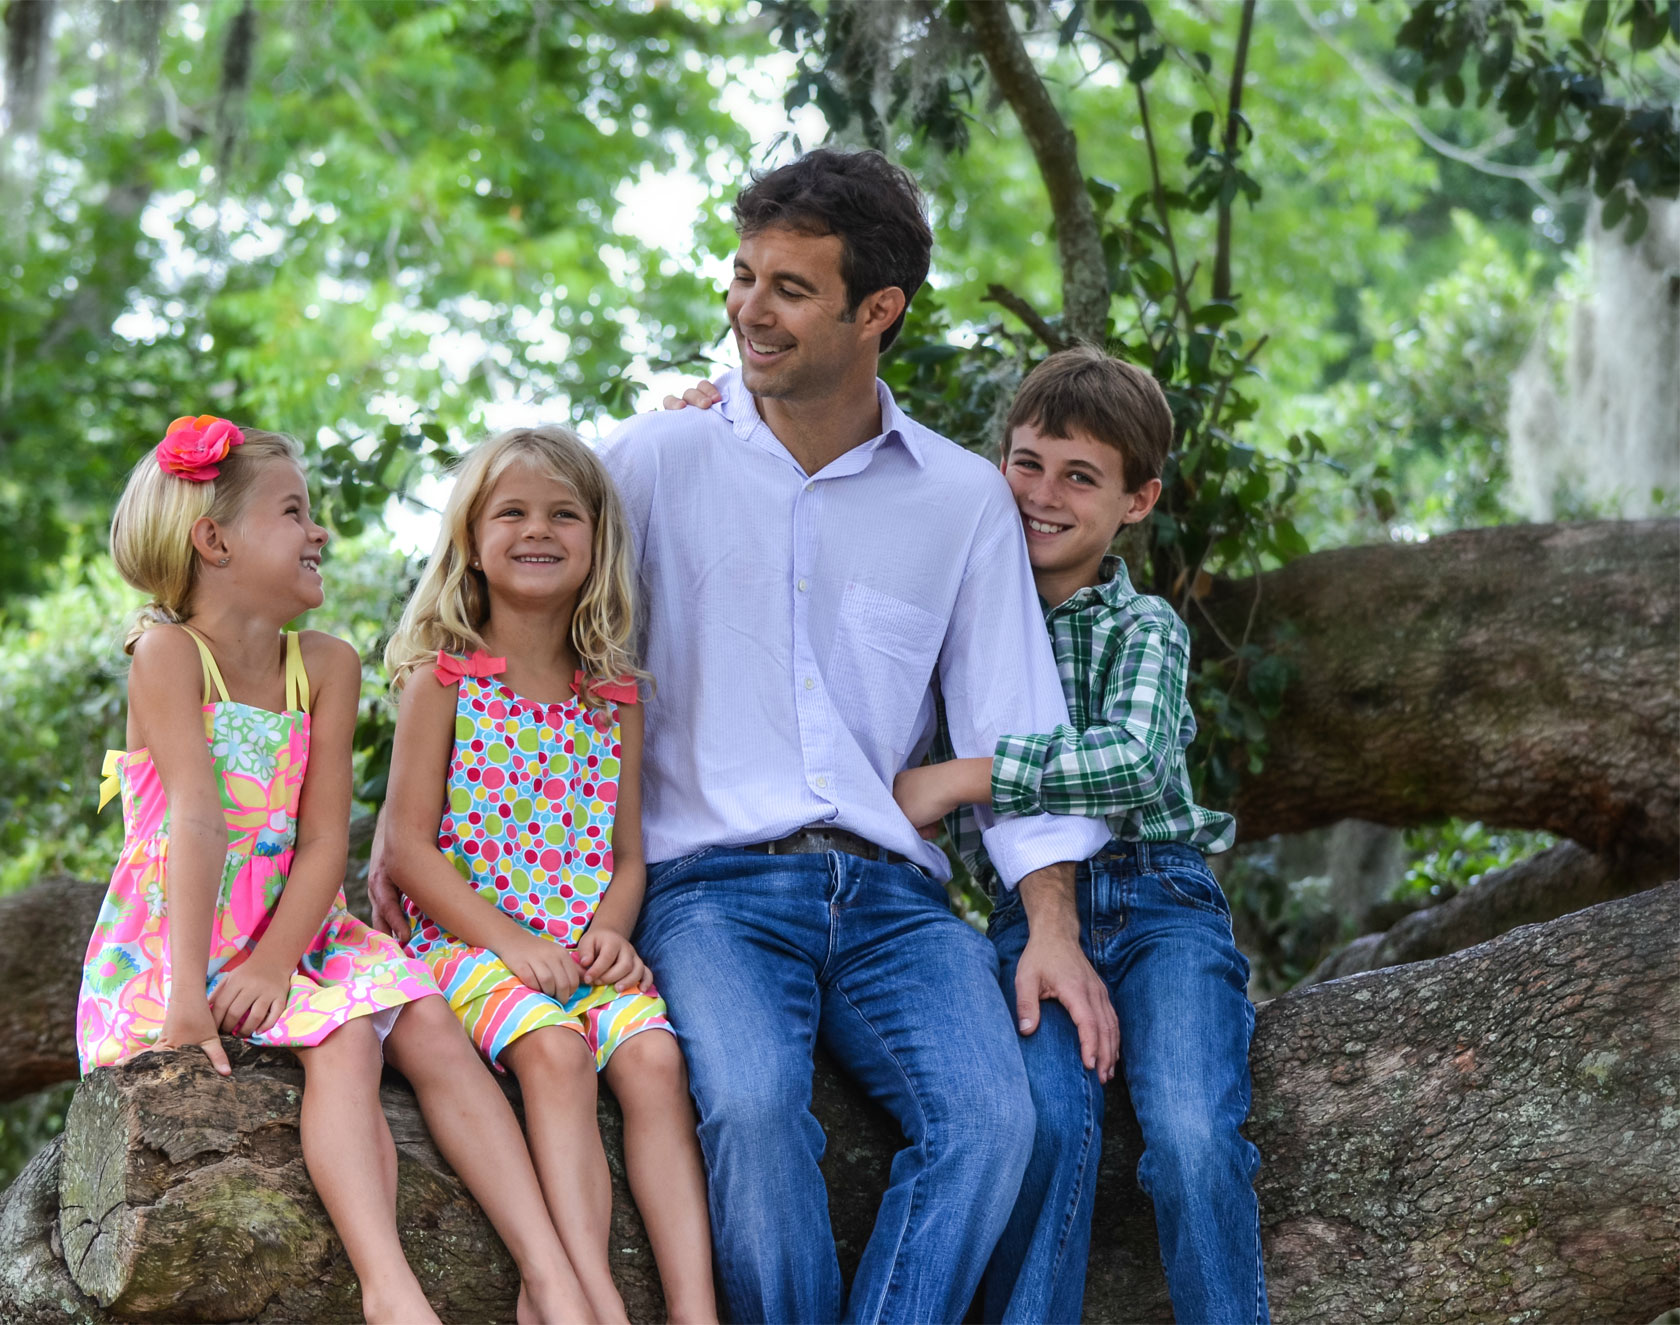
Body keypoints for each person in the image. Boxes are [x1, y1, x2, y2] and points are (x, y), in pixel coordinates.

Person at [370, 148, 1117, 1324]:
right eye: (740, 276)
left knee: (994, 1119)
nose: (745, 311)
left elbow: (1012, 717)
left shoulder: (960, 497)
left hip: (894, 899)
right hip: (707, 889)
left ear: (876, 311)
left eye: (785, 288)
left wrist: (1052, 925)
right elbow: (517, 594)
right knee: (757, 1105)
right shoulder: (655, 459)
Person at [76, 415, 593, 1325]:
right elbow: (195, 820)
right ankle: (389, 1286)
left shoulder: (327, 664)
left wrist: (278, 960)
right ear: (215, 540)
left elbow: (322, 843)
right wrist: (193, 1000)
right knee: (350, 1035)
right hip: (180, 929)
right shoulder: (166, 654)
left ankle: (549, 1272)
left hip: (296, 923)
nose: (318, 531)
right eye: (294, 512)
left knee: (424, 1019)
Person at [891, 347, 1266, 1324]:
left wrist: (966, 774)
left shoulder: (1140, 626)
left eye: (1078, 476)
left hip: (1159, 904)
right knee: (1047, 1124)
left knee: (1188, 1134)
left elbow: (1135, 760)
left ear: (1135, 501)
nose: (1040, 494)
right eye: (1025, 462)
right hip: (1026, 920)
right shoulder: (955, 618)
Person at [381, 425, 717, 1325]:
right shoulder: (444, 679)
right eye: (514, 512)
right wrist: (516, 943)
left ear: (599, 540)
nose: (540, 529)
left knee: (654, 1061)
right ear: (472, 540)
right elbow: (410, 849)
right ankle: (587, 1293)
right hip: (473, 942)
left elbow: (627, 855)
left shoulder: (616, 694)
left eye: (565, 513)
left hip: (582, 946)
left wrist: (611, 927)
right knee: (557, 1050)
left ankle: (695, 1309)